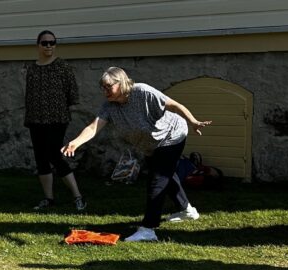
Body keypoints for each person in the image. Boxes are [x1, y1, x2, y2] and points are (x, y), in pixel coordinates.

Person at [61, 67, 211, 242]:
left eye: (108, 86)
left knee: (157, 180)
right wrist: (76, 142)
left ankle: (149, 229)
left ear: (121, 82)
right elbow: (94, 127)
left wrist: (193, 121)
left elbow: (175, 105)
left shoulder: (142, 92)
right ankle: (187, 210)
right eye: (102, 87)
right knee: (165, 174)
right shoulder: (109, 107)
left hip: (172, 135)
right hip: (150, 144)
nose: (104, 91)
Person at [24, 30, 85, 211]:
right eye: (45, 43)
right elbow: (29, 96)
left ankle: (78, 196)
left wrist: (57, 107)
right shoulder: (32, 69)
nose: (49, 46)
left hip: (57, 119)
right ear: (38, 45)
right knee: (41, 159)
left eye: (52, 42)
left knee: (54, 156)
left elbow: (72, 93)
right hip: (36, 120)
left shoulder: (62, 66)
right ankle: (48, 199)